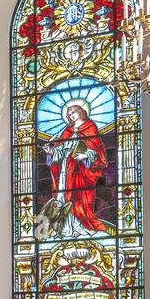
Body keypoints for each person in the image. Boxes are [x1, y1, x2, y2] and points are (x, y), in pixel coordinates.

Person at [41, 101, 109, 237]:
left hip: (81, 170)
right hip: (66, 169)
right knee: (63, 196)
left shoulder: (90, 127)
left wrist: (86, 155)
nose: (71, 115)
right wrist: (51, 152)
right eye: (69, 114)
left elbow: (97, 149)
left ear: (81, 111)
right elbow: (60, 150)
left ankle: (79, 226)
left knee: (79, 197)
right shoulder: (67, 131)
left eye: (73, 112)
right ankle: (65, 228)